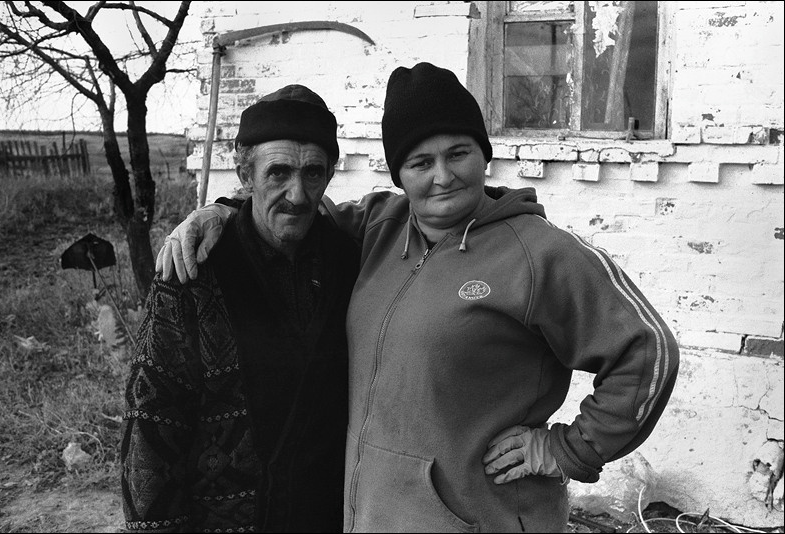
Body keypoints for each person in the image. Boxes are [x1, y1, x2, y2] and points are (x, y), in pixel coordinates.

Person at [158, 62, 680, 533]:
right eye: (420, 162)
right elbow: (290, 215)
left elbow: (647, 350)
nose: (442, 176)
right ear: (399, 174)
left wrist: (566, 449)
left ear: (483, 154)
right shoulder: (376, 228)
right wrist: (220, 213)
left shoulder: (539, 254)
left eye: (459, 154)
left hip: (483, 519)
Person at [120, 84, 361, 532]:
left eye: (313, 173)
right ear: (245, 175)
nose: (298, 194)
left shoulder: (352, 263)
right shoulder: (193, 273)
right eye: (279, 173)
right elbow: (152, 434)